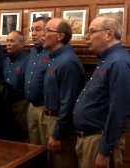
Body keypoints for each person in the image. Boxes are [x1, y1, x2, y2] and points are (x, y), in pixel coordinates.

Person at [73, 13, 130, 168]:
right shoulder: (106, 60)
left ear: (109, 34)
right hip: (89, 140)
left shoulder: (118, 63)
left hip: (99, 142)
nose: (86, 37)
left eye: (91, 31)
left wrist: (104, 151)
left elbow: (118, 111)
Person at [43, 18, 85, 168]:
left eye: (47, 30)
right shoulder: (55, 58)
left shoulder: (68, 62)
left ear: (60, 36)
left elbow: (68, 103)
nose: (43, 34)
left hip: (61, 124)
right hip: (50, 120)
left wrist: (57, 134)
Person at [25, 16, 51, 145]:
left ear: (48, 31)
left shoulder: (52, 51)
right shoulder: (33, 51)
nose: (33, 33)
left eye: (38, 29)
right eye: (32, 30)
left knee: (46, 148)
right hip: (31, 107)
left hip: (45, 108)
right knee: (32, 148)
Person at [3, 30, 28, 141]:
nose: (8, 44)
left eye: (12, 41)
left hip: (21, 104)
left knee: (21, 136)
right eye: (7, 41)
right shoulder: (7, 60)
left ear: (22, 44)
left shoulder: (27, 60)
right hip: (6, 103)